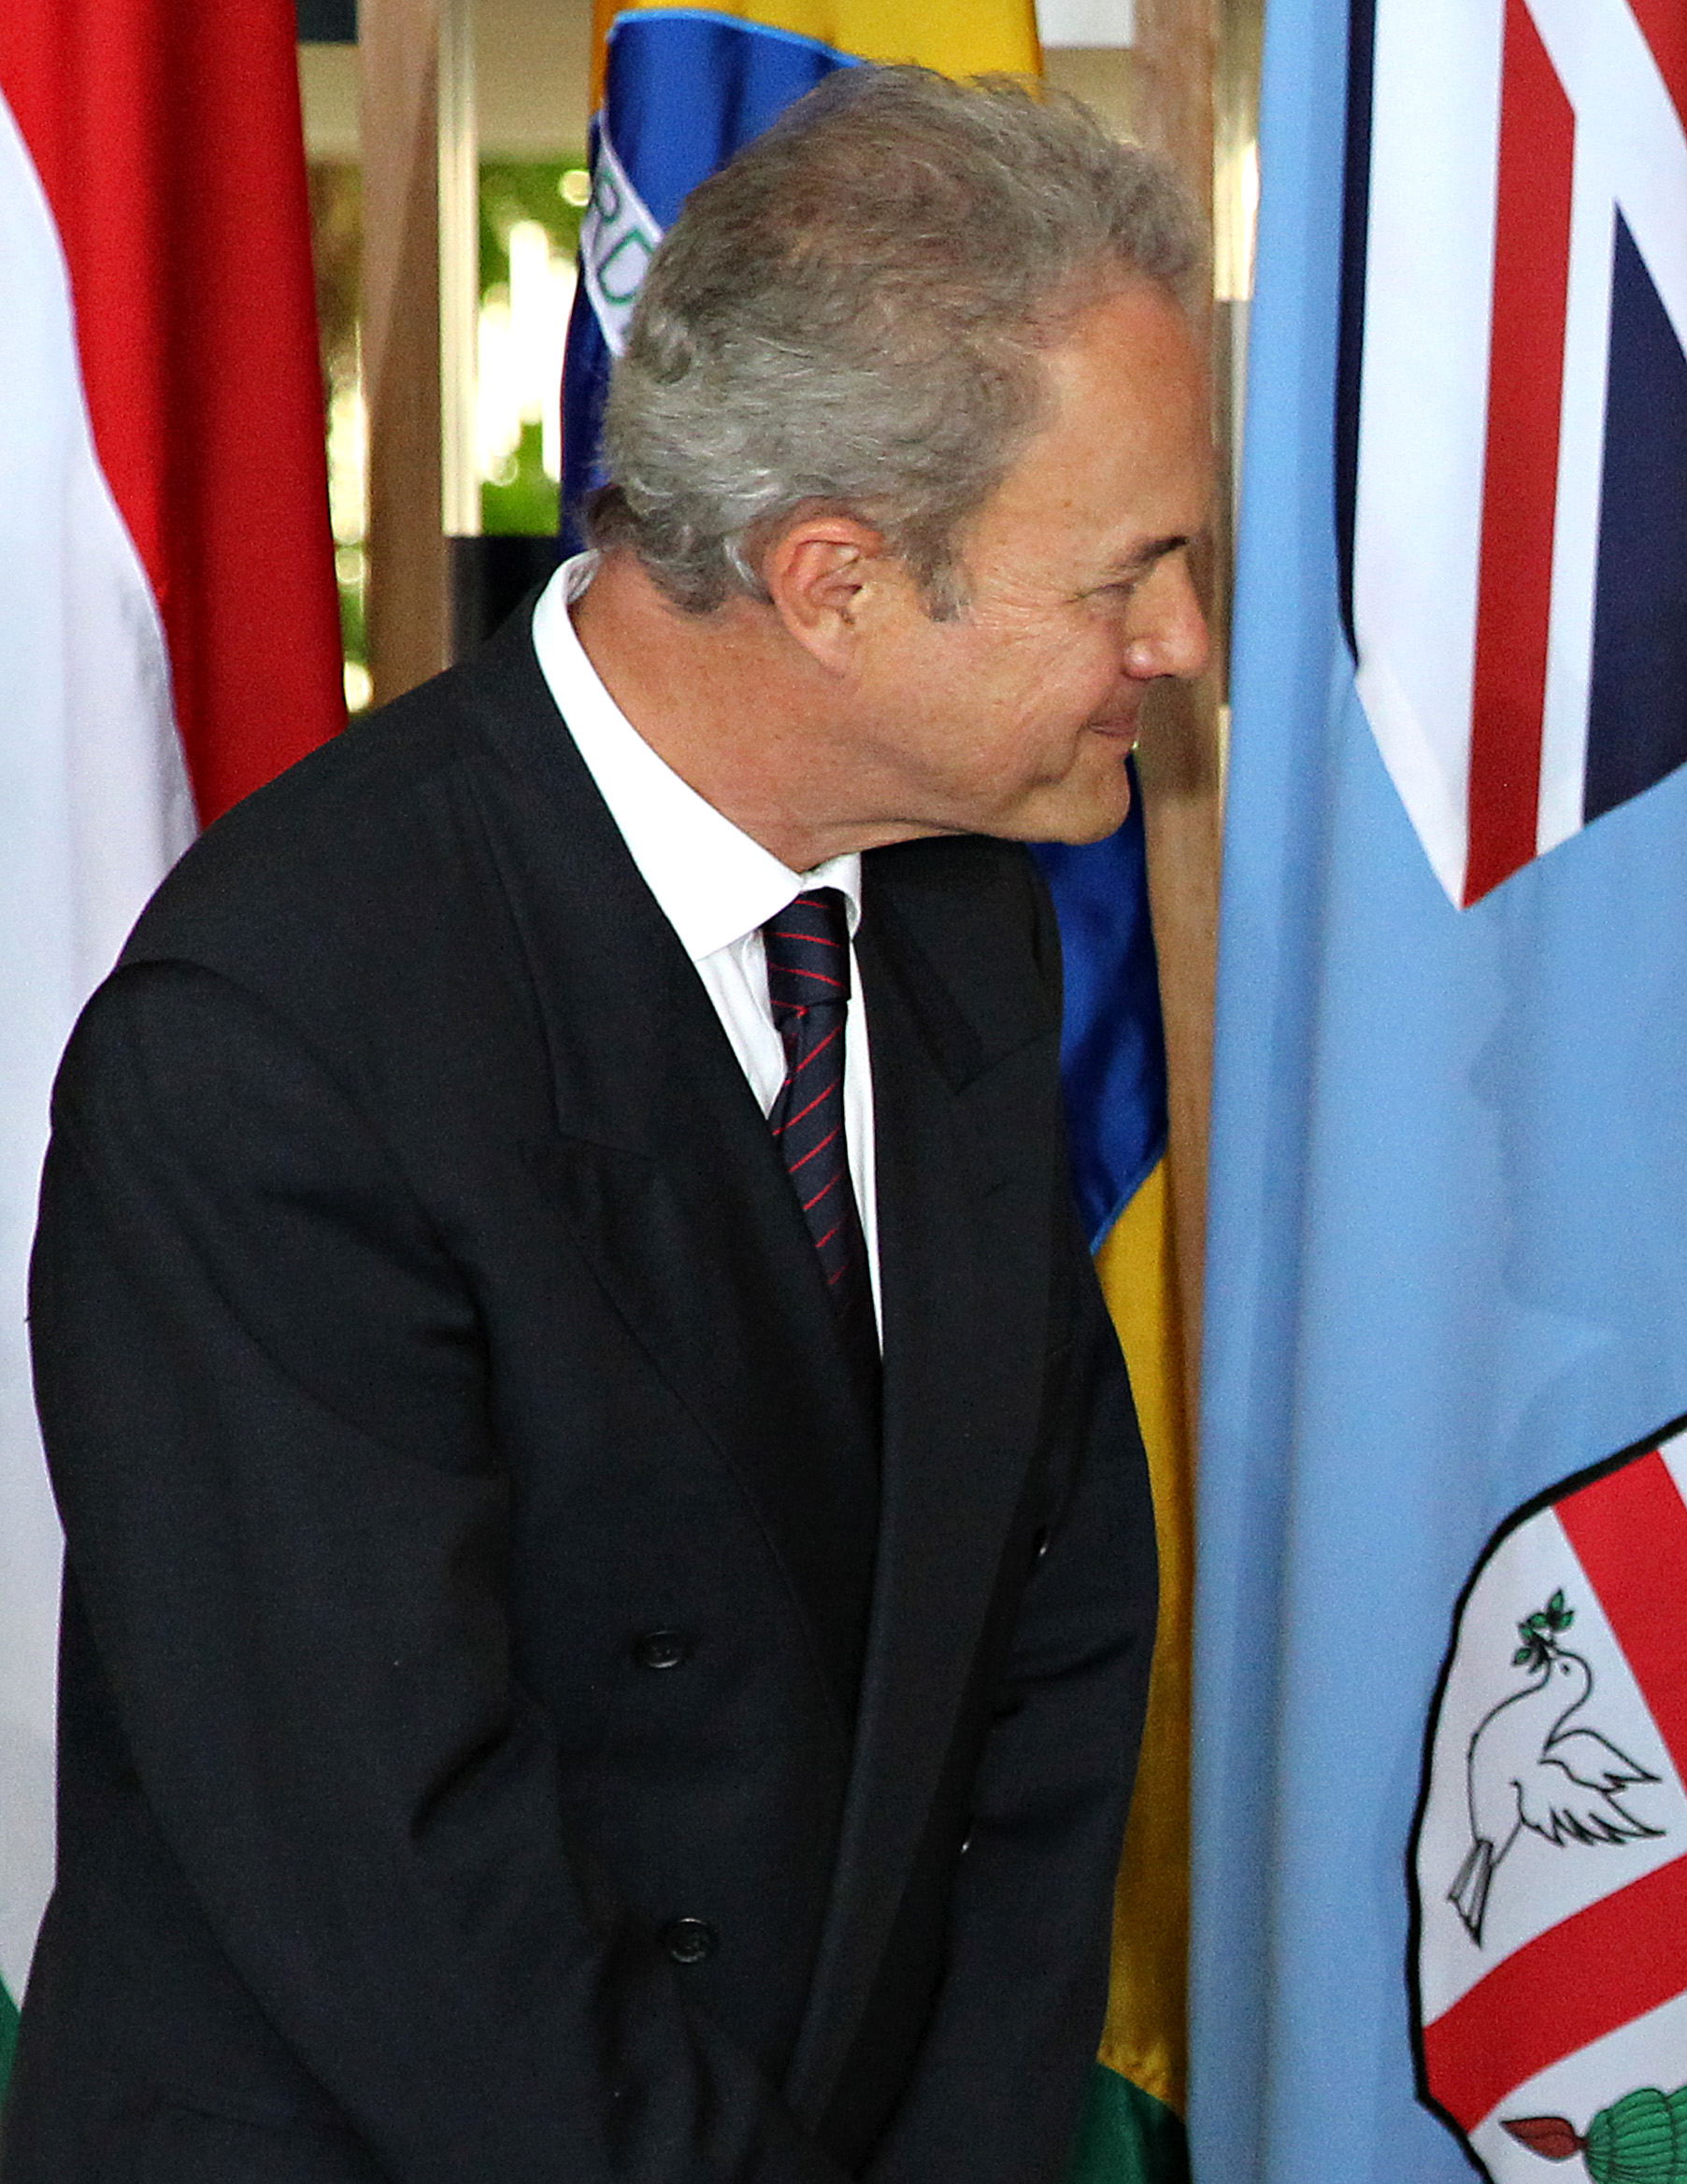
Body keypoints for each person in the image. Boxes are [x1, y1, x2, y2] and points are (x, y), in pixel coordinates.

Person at [7, 66, 1206, 2182]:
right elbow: (397, 1871)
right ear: (833, 581)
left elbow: (1041, 1618)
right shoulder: (272, 1039)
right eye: (1129, 574)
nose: (1177, 645)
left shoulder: (964, 912)